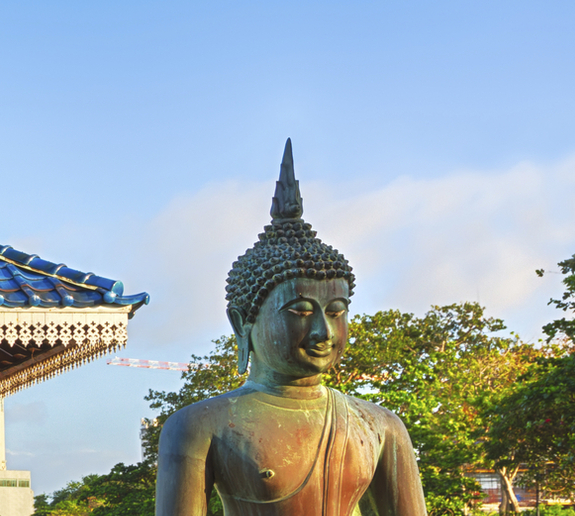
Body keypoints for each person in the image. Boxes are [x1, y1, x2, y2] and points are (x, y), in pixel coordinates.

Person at [155, 141, 425, 516]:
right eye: (299, 310)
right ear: (242, 322)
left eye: (336, 311)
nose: (323, 331)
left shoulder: (381, 426)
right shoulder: (200, 425)